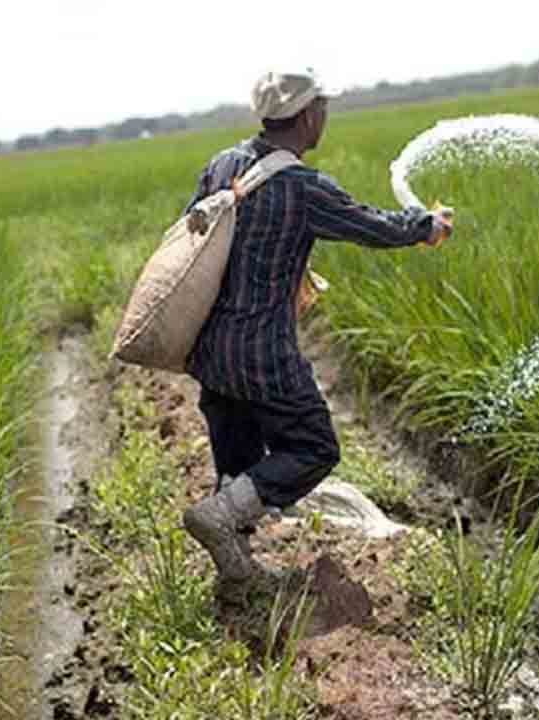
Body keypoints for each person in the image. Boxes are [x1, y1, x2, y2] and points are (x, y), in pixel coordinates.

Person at [181, 68, 453, 599]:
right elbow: (372, 226)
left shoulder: (223, 166)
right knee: (313, 447)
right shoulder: (301, 187)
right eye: (323, 107)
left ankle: (235, 580)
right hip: (264, 353)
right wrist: (428, 226)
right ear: (308, 116)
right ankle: (216, 519)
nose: (324, 116)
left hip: (213, 351)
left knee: (239, 467)